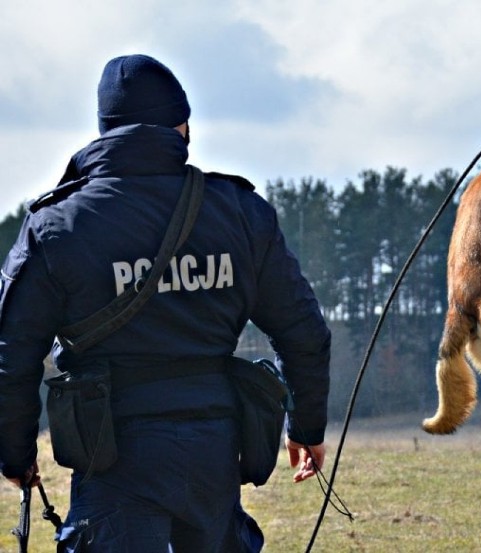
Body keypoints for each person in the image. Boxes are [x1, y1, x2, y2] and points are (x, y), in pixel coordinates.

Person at [0, 54, 331, 552]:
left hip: (112, 461)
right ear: (183, 127)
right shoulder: (239, 212)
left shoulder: (57, 227)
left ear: (104, 130)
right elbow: (304, 332)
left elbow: (11, 357)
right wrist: (305, 426)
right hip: (215, 453)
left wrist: (16, 455)